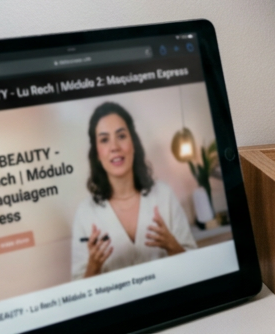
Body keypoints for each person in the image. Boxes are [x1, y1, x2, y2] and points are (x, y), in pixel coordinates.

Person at [71, 102, 197, 279]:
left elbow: (196, 266)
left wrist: (172, 245)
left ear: (133, 142)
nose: (115, 146)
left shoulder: (163, 194)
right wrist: (94, 266)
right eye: (104, 139)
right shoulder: (85, 212)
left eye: (121, 136)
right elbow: (79, 290)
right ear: (97, 153)